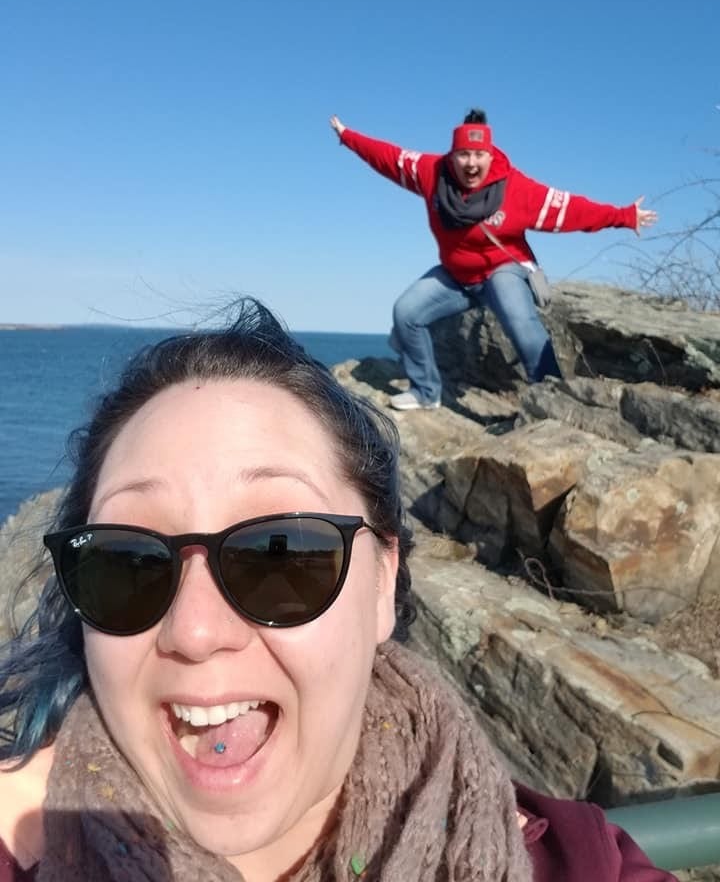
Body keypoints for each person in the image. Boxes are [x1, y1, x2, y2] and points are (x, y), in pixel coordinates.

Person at [0, 299, 676, 881]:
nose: (196, 632)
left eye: (282, 554)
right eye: (128, 562)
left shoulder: (582, 864)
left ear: (383, 583)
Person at [329, 110, 658, 410]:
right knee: (406, 312)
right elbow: (391, 158)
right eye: (464, 154)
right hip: (457, 277)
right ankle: (426, 392)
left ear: (490, 155)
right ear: (453, 155)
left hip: (503, 269)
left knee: (520, 322)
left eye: (478, 154)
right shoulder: (433, 174)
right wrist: (348, 137)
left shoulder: (516, 188)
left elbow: (571, 209)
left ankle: (553, 397)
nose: (471, 163)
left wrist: (624, 216)